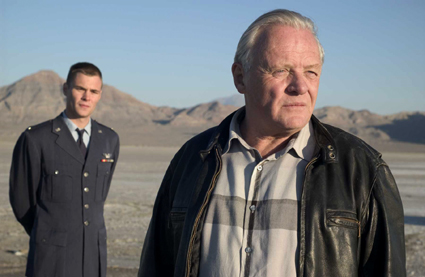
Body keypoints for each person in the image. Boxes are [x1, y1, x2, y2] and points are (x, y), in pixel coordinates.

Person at [138, 9, 405, 277]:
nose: (300, 86)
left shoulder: (363, 170)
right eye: (282, 70)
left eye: (311, 72)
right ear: (240, 77)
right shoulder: (192, 160)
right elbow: (157, 264)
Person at [9, 62, 120, 277]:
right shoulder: (36, 138)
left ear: (100, 95)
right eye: (80, 89)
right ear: (66, 89)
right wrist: (48, 232)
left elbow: (100, 195)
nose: (87, 97)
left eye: (94, 91)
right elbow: (22, 201)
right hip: (50, 257)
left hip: (92, 256)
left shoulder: (109, 139)